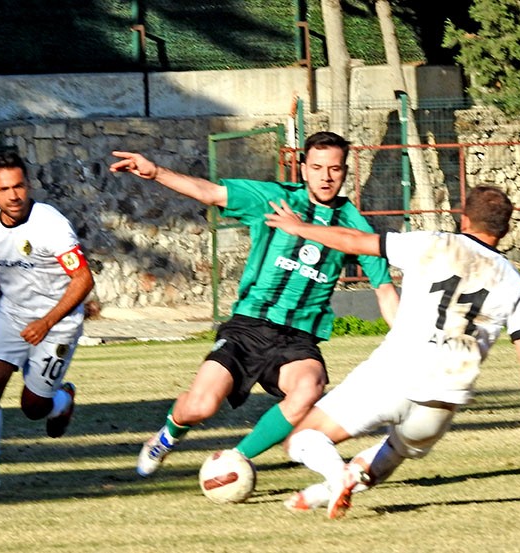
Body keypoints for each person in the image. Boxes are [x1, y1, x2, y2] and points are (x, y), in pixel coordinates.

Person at [264, 185, 520, 519]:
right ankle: (322, 492)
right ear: (506, 228)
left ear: (464, 218)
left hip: (395, 373)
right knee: (393, 453)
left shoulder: (431, 243)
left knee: (302, 439)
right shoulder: (516, 284)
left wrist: (300, 228)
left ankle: (334, 474)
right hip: (445, 398)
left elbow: (355, 240)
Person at [109, 131, 399, 478]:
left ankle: (236, 459)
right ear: (303, 168)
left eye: (334, 169)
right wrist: (156, 172)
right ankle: (167, 435)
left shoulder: (353, 226)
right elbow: (211, 192)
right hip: (248, 326)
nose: (325, 177)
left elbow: (384, 290)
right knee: (200, 406)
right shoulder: (274, 200)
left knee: (309, 387)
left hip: (297, 339)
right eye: (318, 167)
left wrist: (409, 342)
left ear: (345, 171)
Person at [0, 151, 94, 488]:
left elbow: (83, 279)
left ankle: (61, 399)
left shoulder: (51, 224)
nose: (14, 195)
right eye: (5, 189)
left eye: (19, 186)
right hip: (12, 314)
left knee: (33, 407)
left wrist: (48, 322)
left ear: (28, 186)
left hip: (60, 321)